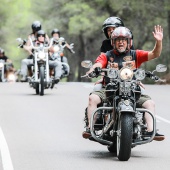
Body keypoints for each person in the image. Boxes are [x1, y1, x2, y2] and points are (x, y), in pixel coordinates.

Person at [82, 25, 165, 141]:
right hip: (109, 89)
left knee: (150, 103)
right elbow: (98, 64)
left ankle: (150, 131)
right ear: (113, 42)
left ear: (129, 42)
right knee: (93, 99)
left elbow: (154, 54)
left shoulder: (136, 54)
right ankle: (90, 128)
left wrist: (159, 41)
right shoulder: (107, 55)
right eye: (118, 40)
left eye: (124, 40)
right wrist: (94, 69)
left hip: (132, 89)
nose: (121, 43)